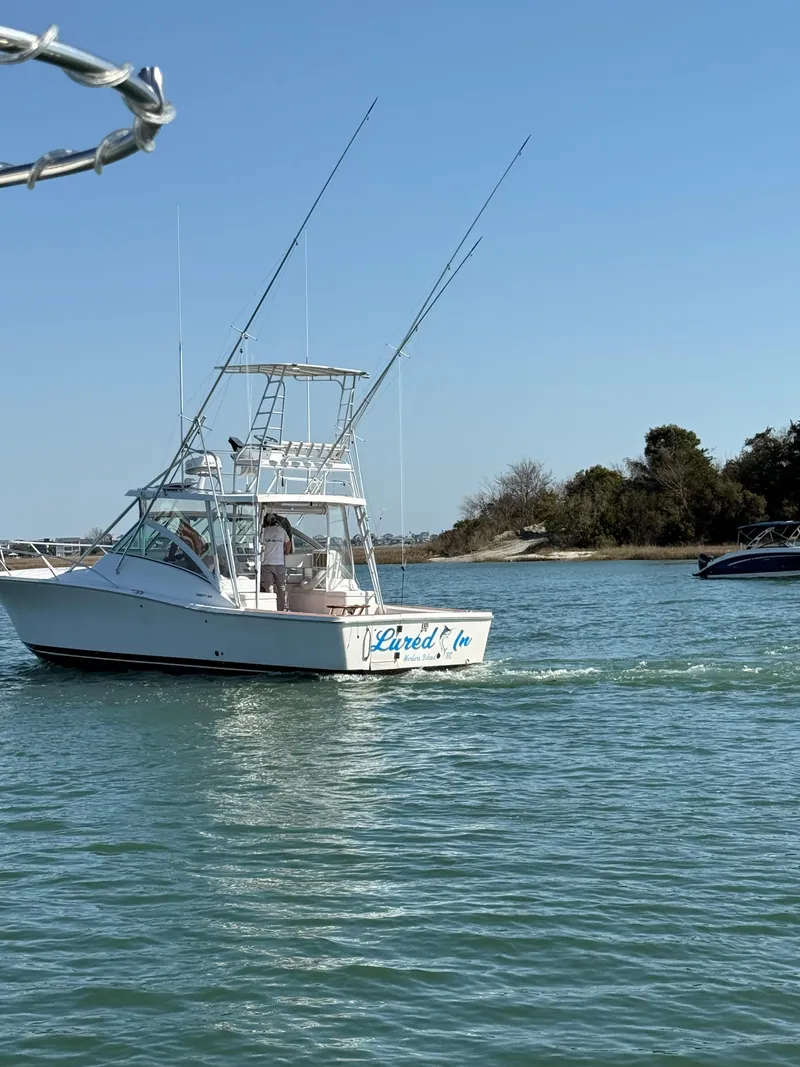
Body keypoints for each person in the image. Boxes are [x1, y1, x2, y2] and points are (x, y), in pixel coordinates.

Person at [260, 512, 291, 611]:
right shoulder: (282, 530)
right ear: (275, 521)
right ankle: (284, 607)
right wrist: (286, 551)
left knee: (269, 586)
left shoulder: (263, 531)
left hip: (266, 563)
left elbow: (259, 544)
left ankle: (271, 608)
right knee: (281, 586)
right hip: (279, 563)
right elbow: (288, 543)